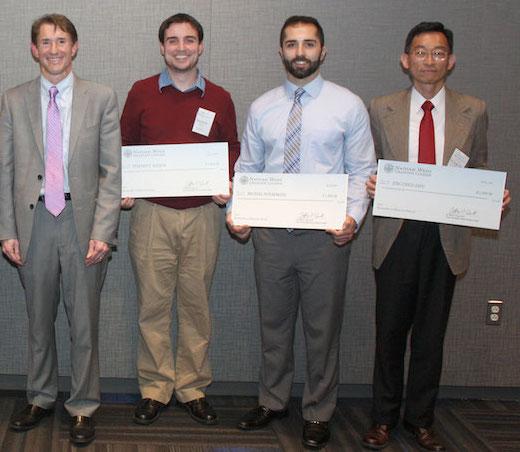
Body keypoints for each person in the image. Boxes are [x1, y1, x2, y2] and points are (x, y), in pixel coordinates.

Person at [227, 15, 376, 449]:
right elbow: (249, 168)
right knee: (273, 324)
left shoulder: (347, 105)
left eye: (308, 44)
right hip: (271, 235)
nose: (300, 52)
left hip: (325, 239)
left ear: (322, 51)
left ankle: (318, 410)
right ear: (281, 51)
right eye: (292, 44)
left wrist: (352, 219)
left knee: (321, 329)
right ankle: (272, 401)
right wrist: (238, 213)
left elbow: (360, 170)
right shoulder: (262, 107)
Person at [362, 22, 511, 451]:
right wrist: (372, 183)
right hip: (397, 233)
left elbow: (478, 166)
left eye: (439, 52)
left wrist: (492, 195)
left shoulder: (474, 108)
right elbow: (368, 164)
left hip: (447, 235)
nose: (430, 60)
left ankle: (420, 419)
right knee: (389, 332)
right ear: (405, 60)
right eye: (421, 52)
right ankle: (382, 418)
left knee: (431, 333)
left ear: (451, 60)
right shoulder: (381, 107)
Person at [0, 14, 121, 446]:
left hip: (81, 223)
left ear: (75, 47)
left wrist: (104, 231)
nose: (54, 49)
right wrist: (6, 228)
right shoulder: (13, 99)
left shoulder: (102, 97)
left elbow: (112, 170)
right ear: (35, 49)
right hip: (33, 223)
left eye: (62, 41)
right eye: (46, 42)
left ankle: (84, 405)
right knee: (38, 319)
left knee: (84, 322)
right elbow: (6, 168)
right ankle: (40, 396)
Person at [120, 13, 239, 426]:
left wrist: (227, 181)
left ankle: (192, 387)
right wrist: (127, 182)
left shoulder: (220, 98)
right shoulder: (140, 93)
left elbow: (233, 149)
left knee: (195, 305)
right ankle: (155, 388)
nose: (181, 47)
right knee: (152, 306)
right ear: (162, 47)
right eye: (173, 41)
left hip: (203, 214)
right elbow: (125, 146)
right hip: (152, 214)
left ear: (201, 46)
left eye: (189, 40)